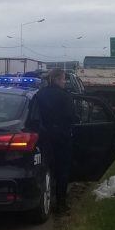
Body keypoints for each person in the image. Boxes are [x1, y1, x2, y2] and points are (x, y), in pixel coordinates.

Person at [34, 68, 75, 214]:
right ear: (57, 79)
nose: (65, 82)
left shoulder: (40, 94)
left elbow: (35, 116)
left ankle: (44, 198)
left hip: (43, 137)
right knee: (62, 171)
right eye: (64, 79)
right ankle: (61, 203)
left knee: (45, 169)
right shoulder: (65, 96)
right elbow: (71, 117)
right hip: (62, 137)